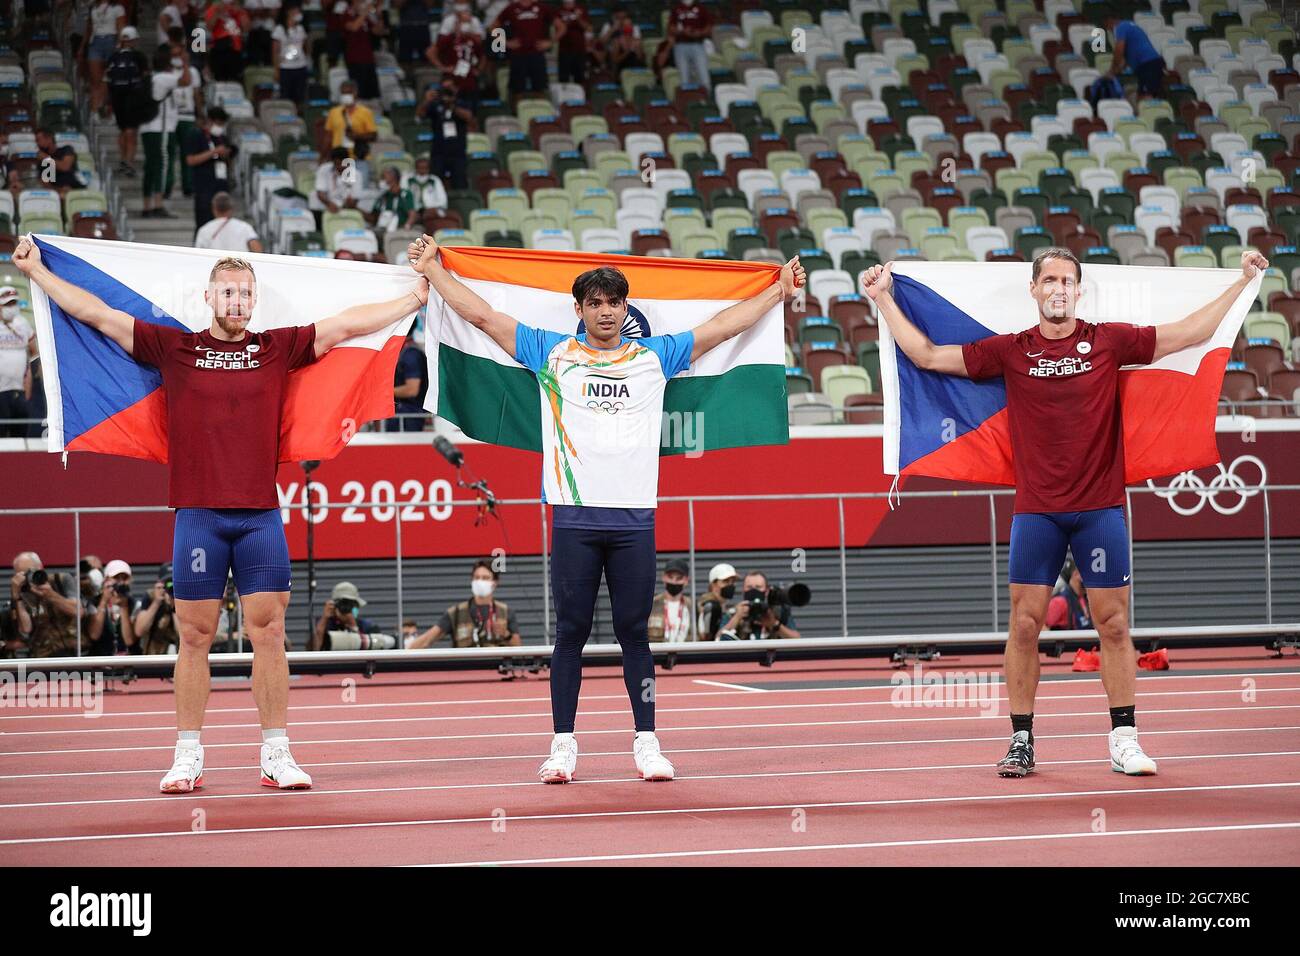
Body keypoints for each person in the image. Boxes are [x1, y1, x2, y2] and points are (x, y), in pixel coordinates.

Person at [13, 238, 430, 794]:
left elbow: (345, 325)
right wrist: (37, 271)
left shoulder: (275, 348)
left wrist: (411, 301)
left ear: (255, 301)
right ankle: (187, 755)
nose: (237, 300)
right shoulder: (174, 348)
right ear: (209, 295)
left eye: (246, 293)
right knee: (194, 638)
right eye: (228, 291)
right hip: (198, 517)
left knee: (271, 634)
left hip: (259, 515)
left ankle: (276, 753)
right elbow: (98, 314)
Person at [862, 246, 1270, 778]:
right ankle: (1022, 741)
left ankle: (1124, 738)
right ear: (1033, 290)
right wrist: (884, 298)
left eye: (1068, 281)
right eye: (1049, 280)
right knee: (1025, 625)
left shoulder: (1110, 340)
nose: (1059, 288)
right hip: (1037, 511)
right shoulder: (1010, 350)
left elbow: (1189, 333)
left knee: (1115, 625)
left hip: (1100, 508)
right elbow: (928, 356)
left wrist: (1242, 284)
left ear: (1079, 291)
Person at [409, 235, 804, 784]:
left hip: (633, 518)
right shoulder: (550, 352)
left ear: (625, 309)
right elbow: (482, 315)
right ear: (580, 310)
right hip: (573, 515)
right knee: (569, 634)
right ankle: (563, 745)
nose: (605, 311)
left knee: (633, 635)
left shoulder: (655, 357)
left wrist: (778, 292)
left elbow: (725, 326)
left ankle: (646, 742)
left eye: (614, 303)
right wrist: (433, 269)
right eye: (594, 303)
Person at [408, 560, 521, 647]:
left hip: (497, 670)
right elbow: (427, 640)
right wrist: (408, 649)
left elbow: (518, 648)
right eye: (477, 577)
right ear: (471, 580)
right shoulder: (455, 613)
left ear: (495, 583)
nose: (480, 581)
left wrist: (507, 635)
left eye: (485, 578)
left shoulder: (506, 612)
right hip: (465, 670)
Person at [139, 43, 193, 220]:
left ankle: (148, 206)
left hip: (149, 127)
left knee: (151, 167)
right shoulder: (164, 77)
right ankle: (157, 204)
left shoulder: (154, 77)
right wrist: (186, 62)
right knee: (161, 166)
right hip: (160, 129)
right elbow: (186, 81)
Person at [8, 551, 82, 658]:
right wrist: (17, 597)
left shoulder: (60, 580)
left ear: (41, 567)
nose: (28, 577)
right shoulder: (22, 595)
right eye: (23, 574)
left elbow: (78, 612)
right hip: (42, 657)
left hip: (72, 653)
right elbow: (25, 629)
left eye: (30, 572)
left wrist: (50, 594)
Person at [105, 26, 147, 177]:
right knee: (131, 132)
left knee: (122, 130)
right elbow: (145, 77)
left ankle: (123, 159)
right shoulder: (139, 57)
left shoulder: (113, 57)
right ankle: (129, 162)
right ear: (134, 40)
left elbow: (107, 81)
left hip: (117, 99)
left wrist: (108, 102)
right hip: (133, 98)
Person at [184, 108, 236, 231]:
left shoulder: (222, 138)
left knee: (223, 226)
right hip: (204, 187)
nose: (220, 126)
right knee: (204, 225)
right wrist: (213, 152)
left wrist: (226, 154)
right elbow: (190, 160)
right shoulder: (196, 135)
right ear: (210, 121)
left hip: (221, 185)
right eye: (219, 123)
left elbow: (229, 158)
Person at [168, 33, 204, 197]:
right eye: (173, 47)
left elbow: (196, 94)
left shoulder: (193, 71)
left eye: (179, 47)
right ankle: (167, 186)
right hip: (170, 116)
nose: (177, 50)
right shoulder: (167, 68)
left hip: (188, 115)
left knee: (187, 152)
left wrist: (200, 113)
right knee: (169, 153)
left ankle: (188, 185)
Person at [429, 4, 486, 107]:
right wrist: (443, 68)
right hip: (452, 81)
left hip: (470, 83)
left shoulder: (473, 40)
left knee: (471, 113)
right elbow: (430, 52)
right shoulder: (449, 39)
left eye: (467, 23)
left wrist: (479, 70)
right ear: (457, 24)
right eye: (462, 22)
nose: (465, 25)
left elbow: (483, 55)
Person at [418, 80, 472, 190]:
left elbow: (468, 117)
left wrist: (452, 105)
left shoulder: (461, 103)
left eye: (450, 89)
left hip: (458, 153)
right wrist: (426, 101)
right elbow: (419, 115)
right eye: (445, 90)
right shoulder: (435, 104)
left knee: (460, 185)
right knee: (435, 184)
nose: (447, 94)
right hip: (439, 152)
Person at [493, 0, 553, 97]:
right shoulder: (511, 8)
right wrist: (505, 43)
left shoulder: (542, 7)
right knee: (517, 90)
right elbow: (493, 27)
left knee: (540, 88)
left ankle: (539, 110)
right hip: (518, 54)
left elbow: (561, 26)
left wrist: (550, 42)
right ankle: (516, 111)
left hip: (536, 53)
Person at [721, 570, 802, 640]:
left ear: (766, 591)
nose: (753, 591)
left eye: (758, 587)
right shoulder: (734, 612)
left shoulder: (776, 612)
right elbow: (718, 638)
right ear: (743, 590)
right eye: (749, 587)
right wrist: (737, 617)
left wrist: (774, 624)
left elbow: (797, 639)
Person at [78, 0, 126, 117]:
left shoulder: (117, 8)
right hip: (95, 42)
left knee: (109, 79)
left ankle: (107, 108)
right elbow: (89, 28)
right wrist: (82, 46)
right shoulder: (93, 7)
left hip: (111, 40)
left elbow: (121, 28)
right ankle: (94, 112)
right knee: (95, 80)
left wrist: (120, 46)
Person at [0, 285, 37, 438]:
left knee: (20, 436)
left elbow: (32, 354)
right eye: (8, 304)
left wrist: (28, 387)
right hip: (1, 391)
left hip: (19, 391)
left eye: (14, 303)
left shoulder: (23, 324)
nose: (12, 307)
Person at [1106, 14, 1166, 99]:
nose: (1110, 31)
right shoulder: (1131, 26)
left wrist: (1111, 70)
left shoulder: (1121, 27)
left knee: (1145, 97)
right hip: (1151, 63)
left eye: (1109, 28)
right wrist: (1115, 72)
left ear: (1110, 22)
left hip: (1147, 65)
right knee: (1142, 97)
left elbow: (1119, 51)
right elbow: (1125, 59)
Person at [311, 581, 382, 650]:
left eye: (351, 604)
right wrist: (324, 618)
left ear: (357, 606)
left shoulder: (367, 627)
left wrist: (354, 627)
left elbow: (374, 653)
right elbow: (314, 650)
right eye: (343, 604)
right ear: (334, 605)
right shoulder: (323, 626)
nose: (347, 608)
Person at [132, 563, 181, 655]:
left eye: (173, 582)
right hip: (153, 657)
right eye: (167, 583)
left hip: (178, 657)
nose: (170, 587)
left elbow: (183, 634)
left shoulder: (184, 596)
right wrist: (156, 602)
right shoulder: (151, 596)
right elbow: (139, 631)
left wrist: (174, 606)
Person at [343, 0, 387, 100]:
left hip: (369, 59)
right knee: (359, 94)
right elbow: (354, 27)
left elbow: (378, 31)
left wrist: (379, 15)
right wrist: (366, 11)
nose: (362, 3)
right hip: (355, 61)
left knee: (373, 94)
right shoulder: (346, 14)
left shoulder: (365, 18)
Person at [194, 192, 264, 252]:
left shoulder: (204, 230)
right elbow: (257, 248)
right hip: (238, 266)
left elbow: (199, 255)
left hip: (215, 266)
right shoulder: (245, 227)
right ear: (231, 208)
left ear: (214, 209)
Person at [312, 146, 363, 228]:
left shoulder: (357, 174)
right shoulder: (324, 170)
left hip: (346, 209)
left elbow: (354, 200)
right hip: (326, 207)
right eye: (336, 164)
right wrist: (329, 204)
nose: (339, 167)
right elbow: (320, 192)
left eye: (342, 164)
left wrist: (348, 204)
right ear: (332, 162)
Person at [271, 4, 312, 106]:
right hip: (286, 67)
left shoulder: (301, 28)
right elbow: (275, 51)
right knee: (285, 97)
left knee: (300, 96)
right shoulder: (279, 29)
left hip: (300, 66)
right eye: (296, 11)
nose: (298, 13)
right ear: (288, 12)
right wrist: (276, 69)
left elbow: (306, 47)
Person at [386, 329, 427, 431]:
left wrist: (382, 393)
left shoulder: (410, 355)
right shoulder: (406, 352)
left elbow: (412, 390)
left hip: (408, 417)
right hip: (403, 415)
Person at [324, 80, 377, 156]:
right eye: (343, 93)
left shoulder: (366, 112)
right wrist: (324, 155)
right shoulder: (333, 112)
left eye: (349, 93)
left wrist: (357, 136)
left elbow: (373, 135)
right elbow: (328, 137)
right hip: (339, 159)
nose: (346, 95)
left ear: (355, 93)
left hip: (359, 156)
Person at [668, 0, 712, 90]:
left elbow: (709, 27)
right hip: (681, 46)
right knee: (684, 79)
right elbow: (671, 28)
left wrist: (699, 33)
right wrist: (682, 31)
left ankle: (706, 100)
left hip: (698, 45)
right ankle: (687, 100)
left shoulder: (701, 8)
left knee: (704, 78)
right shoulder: (676, 8)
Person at [647, 558, 693, 643]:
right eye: (670, 577)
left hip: (685, 654)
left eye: (679, 578)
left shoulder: (693, 607)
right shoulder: (651, 604)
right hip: (657, 654)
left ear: (686, 581)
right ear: (663, 577)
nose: (674, 582)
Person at [368, 166, 420, 232]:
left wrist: (407, 226)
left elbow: (412, 215)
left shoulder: (405, 194)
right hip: (382, 229)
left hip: (401, 228)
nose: (382, 181)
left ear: (394, 178)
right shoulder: (383, 196)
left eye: (384, 178)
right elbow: (373, 218)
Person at [595, 7, 643, 77]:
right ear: (614, 17)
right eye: (619, 18)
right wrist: (613, 29)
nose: (621, 20)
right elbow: (600, 43)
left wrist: (636, 46)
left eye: (623, 17)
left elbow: (639, 55)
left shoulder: (635, 28)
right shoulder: (609, 26)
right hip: (611, 54)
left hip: (633, 58)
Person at [695, 561, 737, 641]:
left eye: (733, 582)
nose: (730, 585)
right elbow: (711, 639)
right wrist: (737, 616)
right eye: (725, 581)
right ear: (713, 584)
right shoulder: (708, 606)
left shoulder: (724, 608)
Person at [553, 0, 590, 86]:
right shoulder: (558, 12)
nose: (568, 4)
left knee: (580, 77)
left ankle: (581, 97)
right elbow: (559, 29)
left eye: (570, 3)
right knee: (563, 78)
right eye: (566, 3)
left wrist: (578, 18)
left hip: (579, 50)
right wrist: (570, 18)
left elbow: (587, 27)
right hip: (564, 49)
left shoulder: (581, 10)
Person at [1047, 559, 1090, 631]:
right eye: (1086, 573)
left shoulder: (1085, 598)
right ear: (1076, 574)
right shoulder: (1060, 601)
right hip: (1070, 641)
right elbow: (1042, 627)